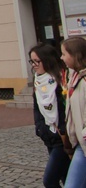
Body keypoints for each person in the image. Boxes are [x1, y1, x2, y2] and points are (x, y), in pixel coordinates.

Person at [30, 43, 71, 187]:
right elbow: (37, 108)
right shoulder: (38, 80)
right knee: (66, 176)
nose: (34, 65)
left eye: (37, 61)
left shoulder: (62, 80)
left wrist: (63, 129)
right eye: (32, 61)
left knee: (50, 180)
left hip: (63, 137)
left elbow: (65, 108)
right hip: (49, 136)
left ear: (47, 60)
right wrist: (39, 127)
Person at [62, 36, 86, 188]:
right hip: (80, 145)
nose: (61, 57)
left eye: (64, 54)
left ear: (75, 55)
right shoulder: (73, 78)